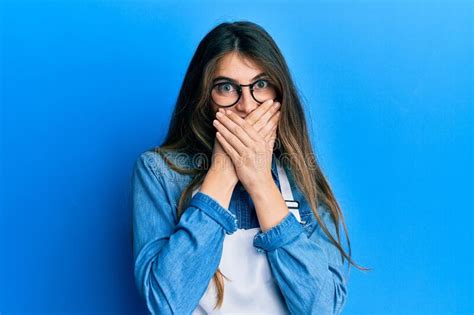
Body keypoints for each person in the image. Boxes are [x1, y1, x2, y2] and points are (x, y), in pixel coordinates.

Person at [131, 20, 365, 315]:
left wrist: (260, 183)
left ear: (280, 94)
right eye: (226, 87)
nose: (246, 105)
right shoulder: (159, 172)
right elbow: (166, 305)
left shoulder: (300, 174)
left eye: (261, 85)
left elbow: (321, 309)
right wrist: (222, 172)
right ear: (204, 97)